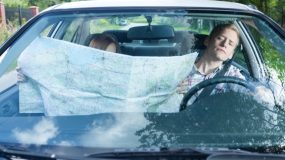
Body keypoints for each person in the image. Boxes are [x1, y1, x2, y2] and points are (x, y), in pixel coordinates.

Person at [177, 23, 275, 106]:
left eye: (230, 44)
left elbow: (249, 91)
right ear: (207, 41)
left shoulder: (231, 74)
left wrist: (260, 91)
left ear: (231, 54)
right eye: (220, 38)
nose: (224, 44)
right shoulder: (181, 67)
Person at [17, 33, 120, 82]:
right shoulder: (71, 71)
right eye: (101, 55)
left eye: (111, 56)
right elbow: (48, 82)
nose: (106, 61)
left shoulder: (120, 77)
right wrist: (27, 79)